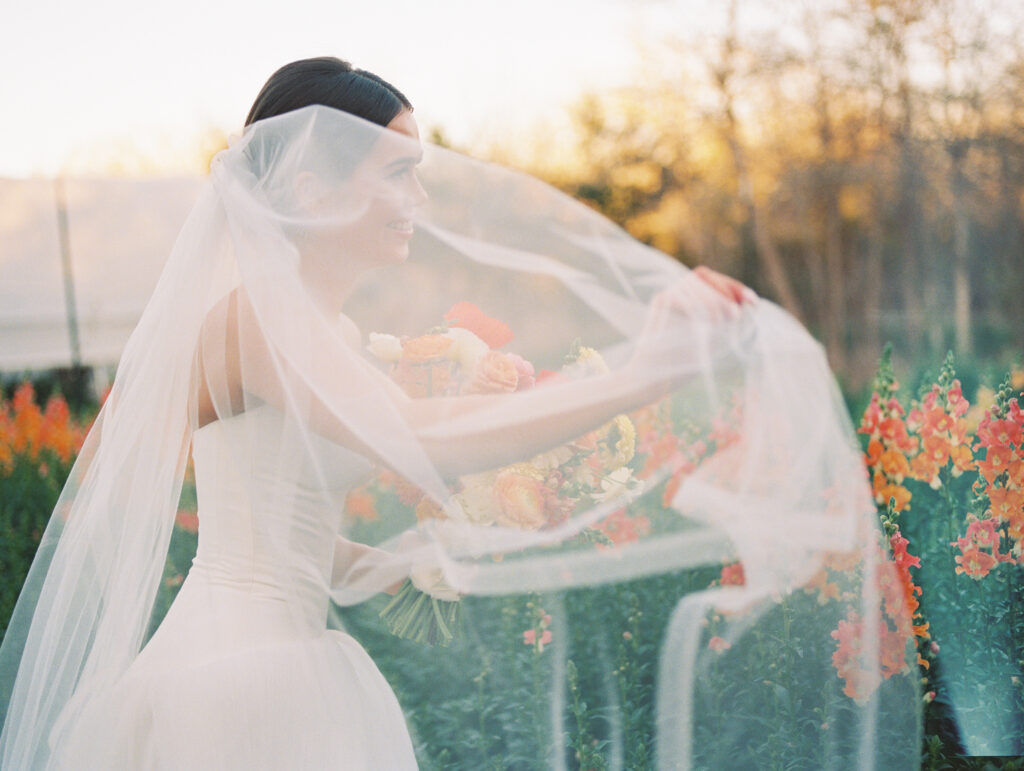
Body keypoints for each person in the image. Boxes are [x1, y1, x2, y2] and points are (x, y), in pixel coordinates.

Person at [0, 58, 920, 769]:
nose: (420, 202)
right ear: (313, 189)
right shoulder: (251, 317)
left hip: (292, 653)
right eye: (398, 174)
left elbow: (288, 524)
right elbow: (424, 439)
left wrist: (407, 564)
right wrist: (648, 370)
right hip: (240, 682)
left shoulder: (318, 326)